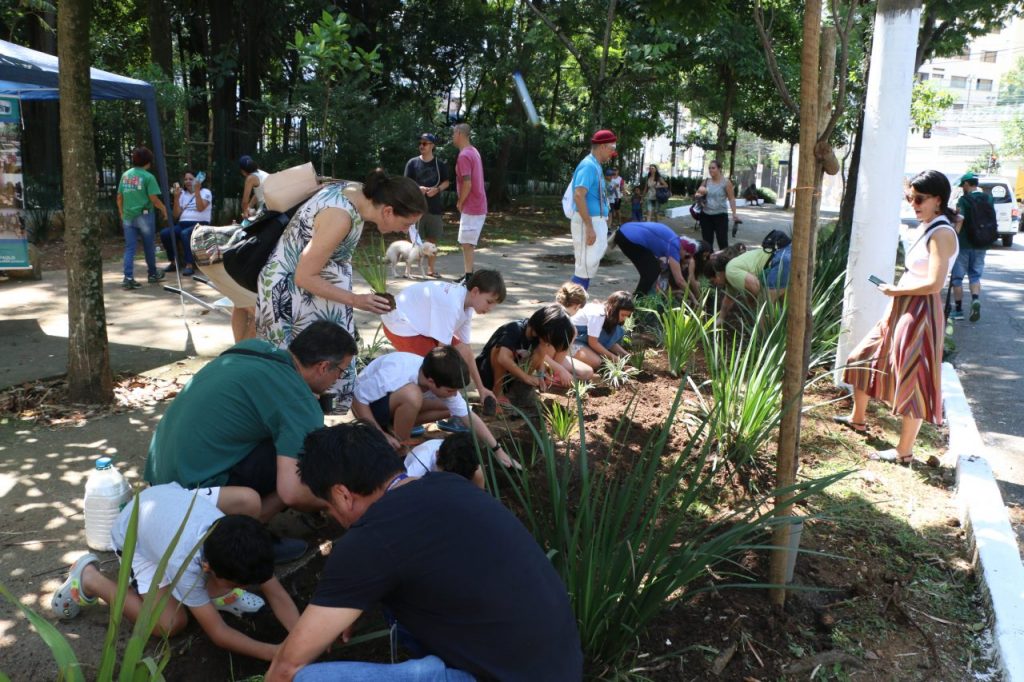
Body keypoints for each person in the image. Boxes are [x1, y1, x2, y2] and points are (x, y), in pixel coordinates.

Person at [264, 423, 583, 682]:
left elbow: (286, 667)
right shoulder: (450, 485)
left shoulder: (372, 539)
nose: (334, 518)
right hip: (559, 666)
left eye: (329, 508)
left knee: (307, 680)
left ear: (343, 495)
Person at [144, 321, 358, 528]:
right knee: (309, 460)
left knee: (292, 445)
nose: (339, 379)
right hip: (193, 495)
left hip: (160, 476)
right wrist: (337, 502)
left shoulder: (252, 348)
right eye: (341, 371)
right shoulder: (299, 401)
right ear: (323, 367)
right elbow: (292, 494)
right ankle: (249, 529)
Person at [52, 485, 300, 661]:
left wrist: (303, 637)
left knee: (247, 499)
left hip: (171, 499)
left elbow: (275, 592)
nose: (245, 587)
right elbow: (219, 633)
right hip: (134, 532)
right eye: (238, 585)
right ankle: (90, 579)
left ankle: (213, 594)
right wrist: (274, 653)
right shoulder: (184, 563)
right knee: (170, 624)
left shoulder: (239, 540)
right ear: (208, 569)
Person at [257, 169, 426, 414]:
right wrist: (357, 300)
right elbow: (304, 276)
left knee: (327, 365)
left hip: (315, 295)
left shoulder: (357, 192)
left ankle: (310, 425)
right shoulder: (340, 216)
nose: (404, 232)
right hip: (292, 297)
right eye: (406, 224)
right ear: (388, 211)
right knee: (303, 370)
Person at [837, 170, 959, 464]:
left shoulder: (941, 233)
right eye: (910, 197)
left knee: (914, 378)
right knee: (863, 357)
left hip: (920, 311)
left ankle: (904, 451)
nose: (913, 204)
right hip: (903, 307)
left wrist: (895, 290)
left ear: (938, 200)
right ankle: (858, 418)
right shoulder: (929, 227)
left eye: (919, 199)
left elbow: (935, 284)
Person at [351, 346, 518, 469]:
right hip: (370, 408)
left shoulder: (437, 376)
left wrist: (498, 450)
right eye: (450, 390)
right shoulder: (396, 373)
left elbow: (468, 416)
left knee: (452, 407)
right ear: (431, 381)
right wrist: (379, 434)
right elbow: (358, 401)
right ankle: (398, 450)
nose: (454, 394)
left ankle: (392, 431)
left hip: (392, 405)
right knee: (413, 395)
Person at [380, 270, 506, 409]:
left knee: (447, 367)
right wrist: (455, 398)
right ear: (475, 291)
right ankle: (406, 407)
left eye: (494, 304)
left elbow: (465, 349)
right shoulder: (452, 305)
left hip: (421, 323)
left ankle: (447, 407)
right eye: (489, 302)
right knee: (431, 371)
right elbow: (442, 358)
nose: (491, 308)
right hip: (402, 324)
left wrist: (481, 388)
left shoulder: (467, 305)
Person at [475, 304, 576, 401]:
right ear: (544, 328)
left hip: (511, 376)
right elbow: (502, 358)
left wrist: (541, 374)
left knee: (542, 348)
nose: (548, 343)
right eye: (549, 339)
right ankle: (497, 392)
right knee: (499, 352)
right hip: (489, 374)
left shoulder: (539, 339)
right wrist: (526, 377)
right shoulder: (514, 329)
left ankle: (517, 389)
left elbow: (540, 358)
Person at [191, 223, 259, 341]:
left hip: (200, 245)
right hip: (218, 250)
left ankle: (238, 348)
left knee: (240, 304)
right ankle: (243, 354)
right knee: (262, 312)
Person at [569, 129, 618, 290]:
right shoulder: (588, 166)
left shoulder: (595, 165)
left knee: (588, 268)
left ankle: (575, 306)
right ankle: (569, 308)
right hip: (587, 222)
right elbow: (578, 195)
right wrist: (589, 226)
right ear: (602, 146)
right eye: (611, 148)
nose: (612, 153)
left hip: (595, 221)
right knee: (584, 268)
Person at [116, 146, 168, 290]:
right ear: (148, 161)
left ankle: (128, 278)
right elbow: (153, 198)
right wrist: (164, 209)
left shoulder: (125, 175)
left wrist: (121, 213)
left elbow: (119, 197)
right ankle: (152, 274)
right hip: (144, 216)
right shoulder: (148, 177)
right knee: (148, 246)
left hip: (128, 216)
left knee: (130, 248)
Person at [613, 221, 701, 299]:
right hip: (628, 237)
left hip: (625, 230)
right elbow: (679, 280)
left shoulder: (673, 239)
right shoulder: (675, 247)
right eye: (686, 257)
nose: (684, 260)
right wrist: (694, 298)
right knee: (652, 272)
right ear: (684, 249)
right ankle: (637, 302)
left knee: (652, 270)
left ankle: (640, 298)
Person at [404, 133, 450, 278]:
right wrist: (419, 188)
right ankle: (408, 270)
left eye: (425, 143)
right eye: (420, 143)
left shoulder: (439, 164)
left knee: (432, 239)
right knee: (413, 240)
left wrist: (438, 189)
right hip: (416, 208)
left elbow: (447, 182)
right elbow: (406, 182)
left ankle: (430, 269)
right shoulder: (412, 163)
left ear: (432, 146)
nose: (421, 146)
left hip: (434, 208)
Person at [950, 171, 992, 322]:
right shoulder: (988, 198)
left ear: (967, 184)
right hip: (982, 243)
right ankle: (975, 299)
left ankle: (959, 309)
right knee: (975, 275)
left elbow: (960, 220)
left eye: (963, 186)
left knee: (957, 278)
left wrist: (953, 238)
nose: (962, 188)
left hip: (964, 244)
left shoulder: (963, 200)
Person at [452, 123, 487, 282]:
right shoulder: (474, 151)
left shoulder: (464, 155)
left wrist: (460, 202)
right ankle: (468, 275)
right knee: (467, 243)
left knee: (467, 243)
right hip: (477, 205)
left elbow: (468, 183)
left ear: (459, 134)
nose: (453, 137)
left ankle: (469, 277)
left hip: (472, 206)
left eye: (453, 134)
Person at [161, 169, 212, 277]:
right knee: (165, 233)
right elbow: (176, 215)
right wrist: (176, 198)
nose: (188, 181)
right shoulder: (182, 194)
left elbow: (200, 208)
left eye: (191, 179)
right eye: (186, 179)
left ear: (197, 180)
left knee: (185, 233)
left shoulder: (206, 192)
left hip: (200, 224)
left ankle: (189, 264)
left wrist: (197, 192)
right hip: (183, 224)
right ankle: (174, 262)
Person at [570, 290, 635, 370]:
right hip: (571, 340)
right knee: (596, 362)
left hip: (586, 339)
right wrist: (616, 360)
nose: (624, 319)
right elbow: (593, 343)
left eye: (627, 316)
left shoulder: (608, 314)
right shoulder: (598, 315)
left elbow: (608, 341)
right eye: (623, 315)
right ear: (614, 309)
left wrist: (626, 355)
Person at [403, 433, 486, 489]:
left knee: (479, 474)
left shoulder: (472, 467)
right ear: (437, 454)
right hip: (423, 485)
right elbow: (401, 491)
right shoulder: (419, 467)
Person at [695, 159, 738, 250]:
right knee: (707, 243)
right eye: (709, 168)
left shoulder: (726, 182)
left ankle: (724, 262)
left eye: (713, 168)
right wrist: (699, 196)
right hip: (706, 216)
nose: (711, 170)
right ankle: (708, 262)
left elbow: (731, 199)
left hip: (720, 216)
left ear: (719, 169)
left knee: (722, 242)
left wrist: (734, 214)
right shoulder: (706, 181)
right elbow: (697, 195)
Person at [239, 155, 270, 221]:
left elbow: (244, 201)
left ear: (243, 171)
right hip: (273, 203)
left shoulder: (250, 178)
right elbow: (258, 194)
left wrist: (245, 213)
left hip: (267, 207)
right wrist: (249, 207)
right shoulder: (261, 173)